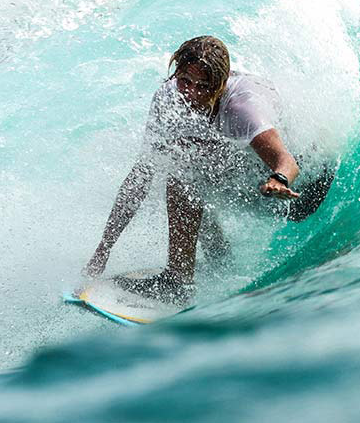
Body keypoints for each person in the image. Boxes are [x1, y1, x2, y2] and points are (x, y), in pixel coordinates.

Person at [83, 36, 333, 305]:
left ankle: (178, 282)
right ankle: (218, 260)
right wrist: (103, 251)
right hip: (252, 179)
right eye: (185, 81)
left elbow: (287, 161)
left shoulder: (242, 108)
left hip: (301, 192)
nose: (191, 93)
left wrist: (279, 179)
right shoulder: (169, 98)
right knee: (183, 162)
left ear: (221, 84)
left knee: (184, 177)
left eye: (204, 86)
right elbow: (140, 177)